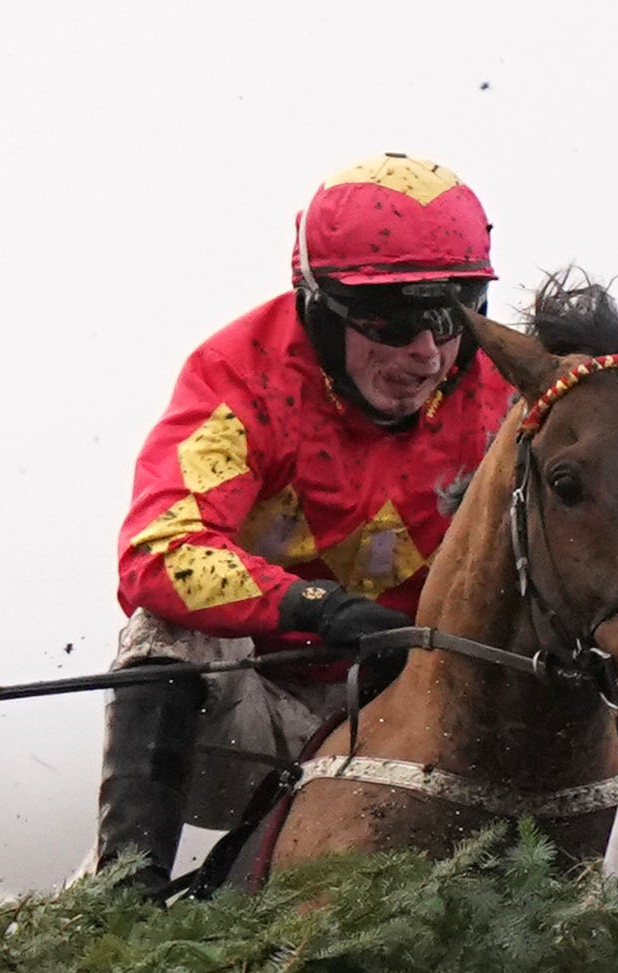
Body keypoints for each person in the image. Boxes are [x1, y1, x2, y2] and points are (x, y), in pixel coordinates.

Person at [94, 154, 518, 884]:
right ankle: (122, 894)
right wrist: (315, 606)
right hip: (263, 716)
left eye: (456, 312)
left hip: (423, 720)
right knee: (161, 627)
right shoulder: (239, 373)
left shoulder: (505, 387)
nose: (426, 352)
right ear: (318, 305)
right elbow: (156, 549)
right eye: (394, 320)